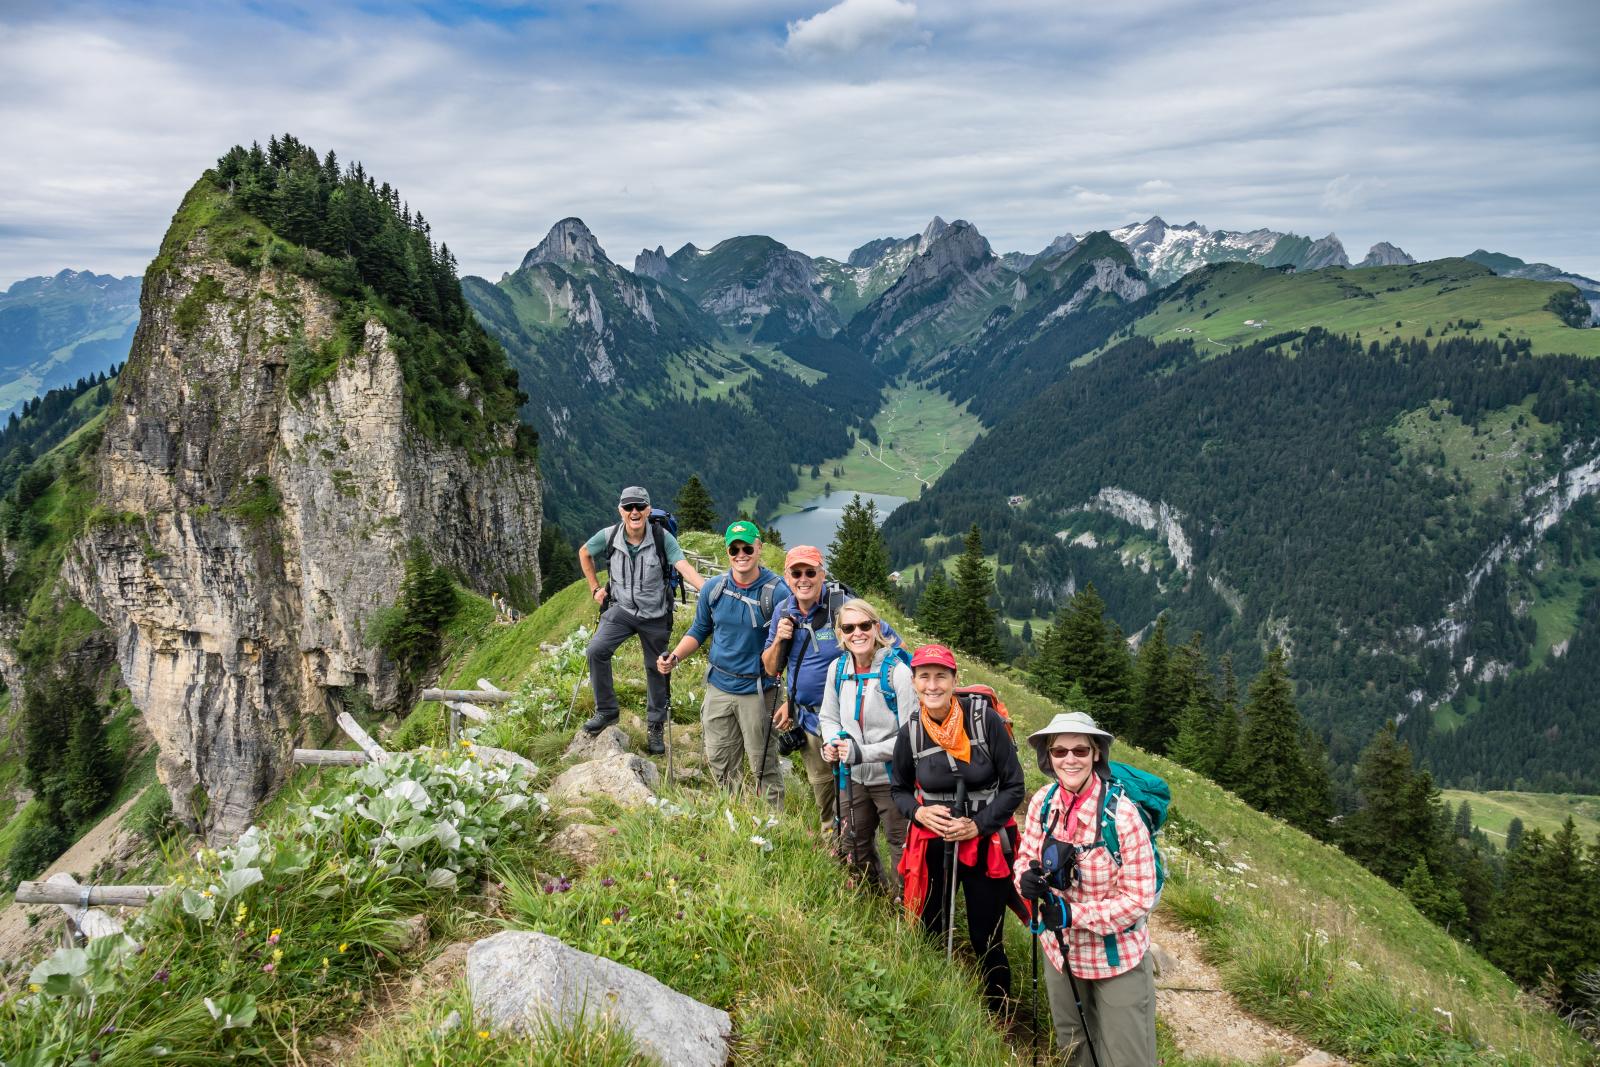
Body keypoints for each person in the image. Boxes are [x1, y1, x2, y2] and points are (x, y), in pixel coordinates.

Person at [1015, 711, 1158, 1067]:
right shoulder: (1042, 804)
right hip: (1059, 952)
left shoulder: (1122, 817)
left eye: (1080, 750)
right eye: (1059, 751)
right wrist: (1025, 880)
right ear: (1048, 757)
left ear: (1096, 753)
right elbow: (1024, 859)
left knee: (1127, 1058)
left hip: (1117, 958)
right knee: (1073, 1048)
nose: (1070, 759)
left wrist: (1072, 913)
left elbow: (1139, 898)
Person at [891, 644, 1025, 1013]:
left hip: (986, 843)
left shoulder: (984, 721)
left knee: (986, 936)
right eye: (924, 677)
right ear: (914, 682)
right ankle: (933, 1005)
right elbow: (898, 789)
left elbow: (1015, 786)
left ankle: (999, 1013)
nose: (932, 685)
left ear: (954, 680)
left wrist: (978, 825)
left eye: (940, 676)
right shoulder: (912, 732)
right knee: (931, 926)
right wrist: (919, 814)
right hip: (935, 844)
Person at [760, 546, 898, 835]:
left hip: (849, 722)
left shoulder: (843, 607)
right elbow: (772, 668)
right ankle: (834, 849)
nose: (803, 579)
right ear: (787, 577)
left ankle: (860, 849)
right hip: (810, 721)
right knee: (824, 794)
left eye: (811, 572)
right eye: (796, 573)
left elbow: (892, 645)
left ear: (822, 574)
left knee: (854, 797)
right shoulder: (783, 611)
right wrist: (778, 642)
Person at [657, 521, 788, 808]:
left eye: (747, 548)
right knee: (720, 759)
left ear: (759, 548)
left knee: (762, 765)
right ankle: (735, 816)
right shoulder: (713, 589)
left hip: (759, 690)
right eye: (734, 548)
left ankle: (775, 825)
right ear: (727, 551)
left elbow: (790, 644)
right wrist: (675, 657)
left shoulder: (777, 592)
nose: (741, 554)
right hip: (719, 686)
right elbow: (699, 630)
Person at [578, 486, 704, 754]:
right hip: (621, 609)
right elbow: (584, 553)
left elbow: (683, 566)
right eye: (628, 507)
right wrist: (594, 588)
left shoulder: (662, 538)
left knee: (657, 667)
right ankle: (607, 711)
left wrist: (707, 590)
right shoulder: (609, 536)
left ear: (648, 509)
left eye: (639, 506)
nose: (634, 512)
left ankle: (656, 725)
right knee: (596, 650)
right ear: (620, 510)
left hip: (655, 615)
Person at [819, 598, 917, 891]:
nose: (857, 633)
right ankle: (870, 898)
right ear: (840, 634)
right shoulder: (837, 669)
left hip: (892, 778)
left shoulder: (897, 672)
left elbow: (909, 735)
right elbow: (828, 716)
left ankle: (907, 909)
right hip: (853, 776)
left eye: (864, 625)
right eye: (848, 627)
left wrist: (863, 753)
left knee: (901, 845)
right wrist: (832, 742)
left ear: (876, 628)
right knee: (852, 842)